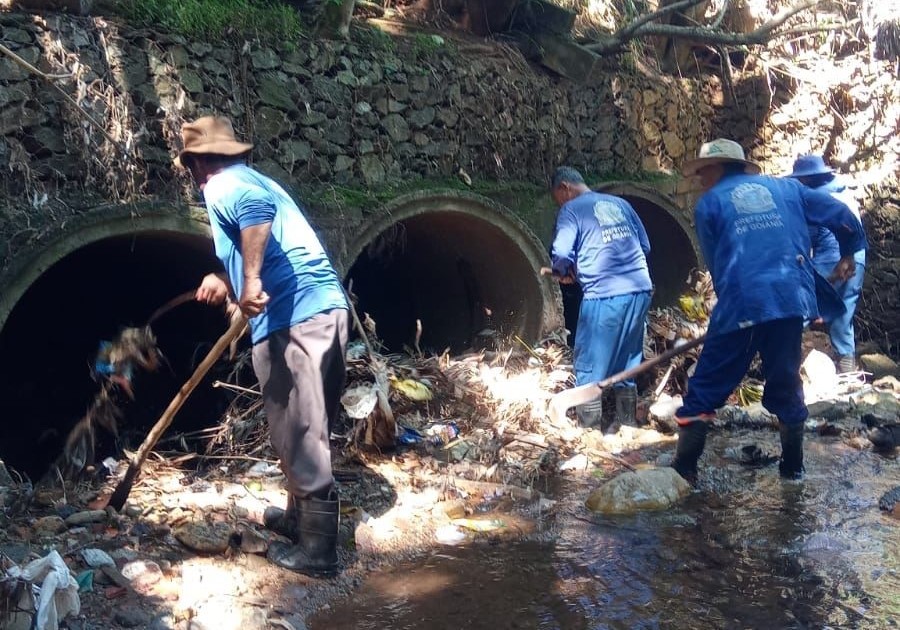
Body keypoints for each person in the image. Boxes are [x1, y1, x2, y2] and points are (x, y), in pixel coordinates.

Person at [176, 116, 349, 576]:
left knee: (297, 425)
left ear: (197, 163)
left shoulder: (223, 185)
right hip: (325, 309)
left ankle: (319, 553)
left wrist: (249, 281)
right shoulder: (256, 178)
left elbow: (254, 212)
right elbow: (270, 242)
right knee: (309, 422)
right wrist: (228, 281)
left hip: (294, 318)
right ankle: (298, 521)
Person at [672, 139, 866, 483]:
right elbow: (841, 215)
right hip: (790, 301)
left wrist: (731, 313)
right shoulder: (787, 188)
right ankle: (793, 471)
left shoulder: (709, 205)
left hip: (743, 303)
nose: (701, 179)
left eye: (703, 172)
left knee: (706, 387)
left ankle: (683, 472)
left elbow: (718, 269)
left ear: (717, 169)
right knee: (786, 383)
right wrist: (849, 252)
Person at [548, 166, 653, 431]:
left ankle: (589, 432)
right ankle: (628, 427)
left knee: (589, 367)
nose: (559, 203)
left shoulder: (571, 209)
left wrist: (563, 272)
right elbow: (645, 246)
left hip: (604, 294)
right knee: (627, 362)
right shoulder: (620, 203)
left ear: (565, 188)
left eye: (557, 198)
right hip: (640, 289)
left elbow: (561, 252)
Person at [787, 154, 866, 374]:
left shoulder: (813, 198)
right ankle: (847, 367)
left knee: (800, 310)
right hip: (857, 259)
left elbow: (806, 239)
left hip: (831, 260)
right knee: (843, 312)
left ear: (807, 178)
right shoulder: (845, 193)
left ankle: (786, 367)